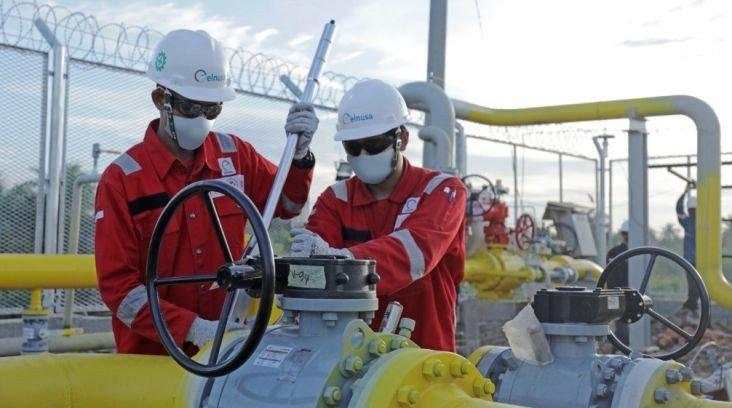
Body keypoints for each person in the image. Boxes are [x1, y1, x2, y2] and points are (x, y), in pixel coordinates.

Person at [94, 29, 318, 355]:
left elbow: (288, 205)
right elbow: (120, 290)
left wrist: (298, 158)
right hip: (154, 360)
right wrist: (193, 329)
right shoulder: (123, 181)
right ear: (160, 100)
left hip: (228, 351)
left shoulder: (236, 156)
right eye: (190, 107)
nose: (201, 119)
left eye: (212, 109)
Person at [289, 79, 467, 351]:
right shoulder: (336, 199)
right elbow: (312, 270)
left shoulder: (442, 191)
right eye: (353, 147)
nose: (363, 155)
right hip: (349, 357)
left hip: (423, 357)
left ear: (402, 139)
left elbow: (416, 252)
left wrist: (343, 260)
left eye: (373, 144)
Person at [676, 184, 700, 313]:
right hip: (699, 260)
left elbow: (679, 209)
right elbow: (679, 209)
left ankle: (692, 305)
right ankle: (693, 305)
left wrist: (685, 193)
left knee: (693, 284)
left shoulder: (687, 221)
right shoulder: (703, 221)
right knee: (698, 284)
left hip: (690, 259)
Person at [606, 220, 630, 344]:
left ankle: (620, 345)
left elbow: (609, 277)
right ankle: (624, 344)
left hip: (616, 292)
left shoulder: (613, 252)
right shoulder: (640, 253)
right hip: (628, 293)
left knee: (620, 321)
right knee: (623, 322)